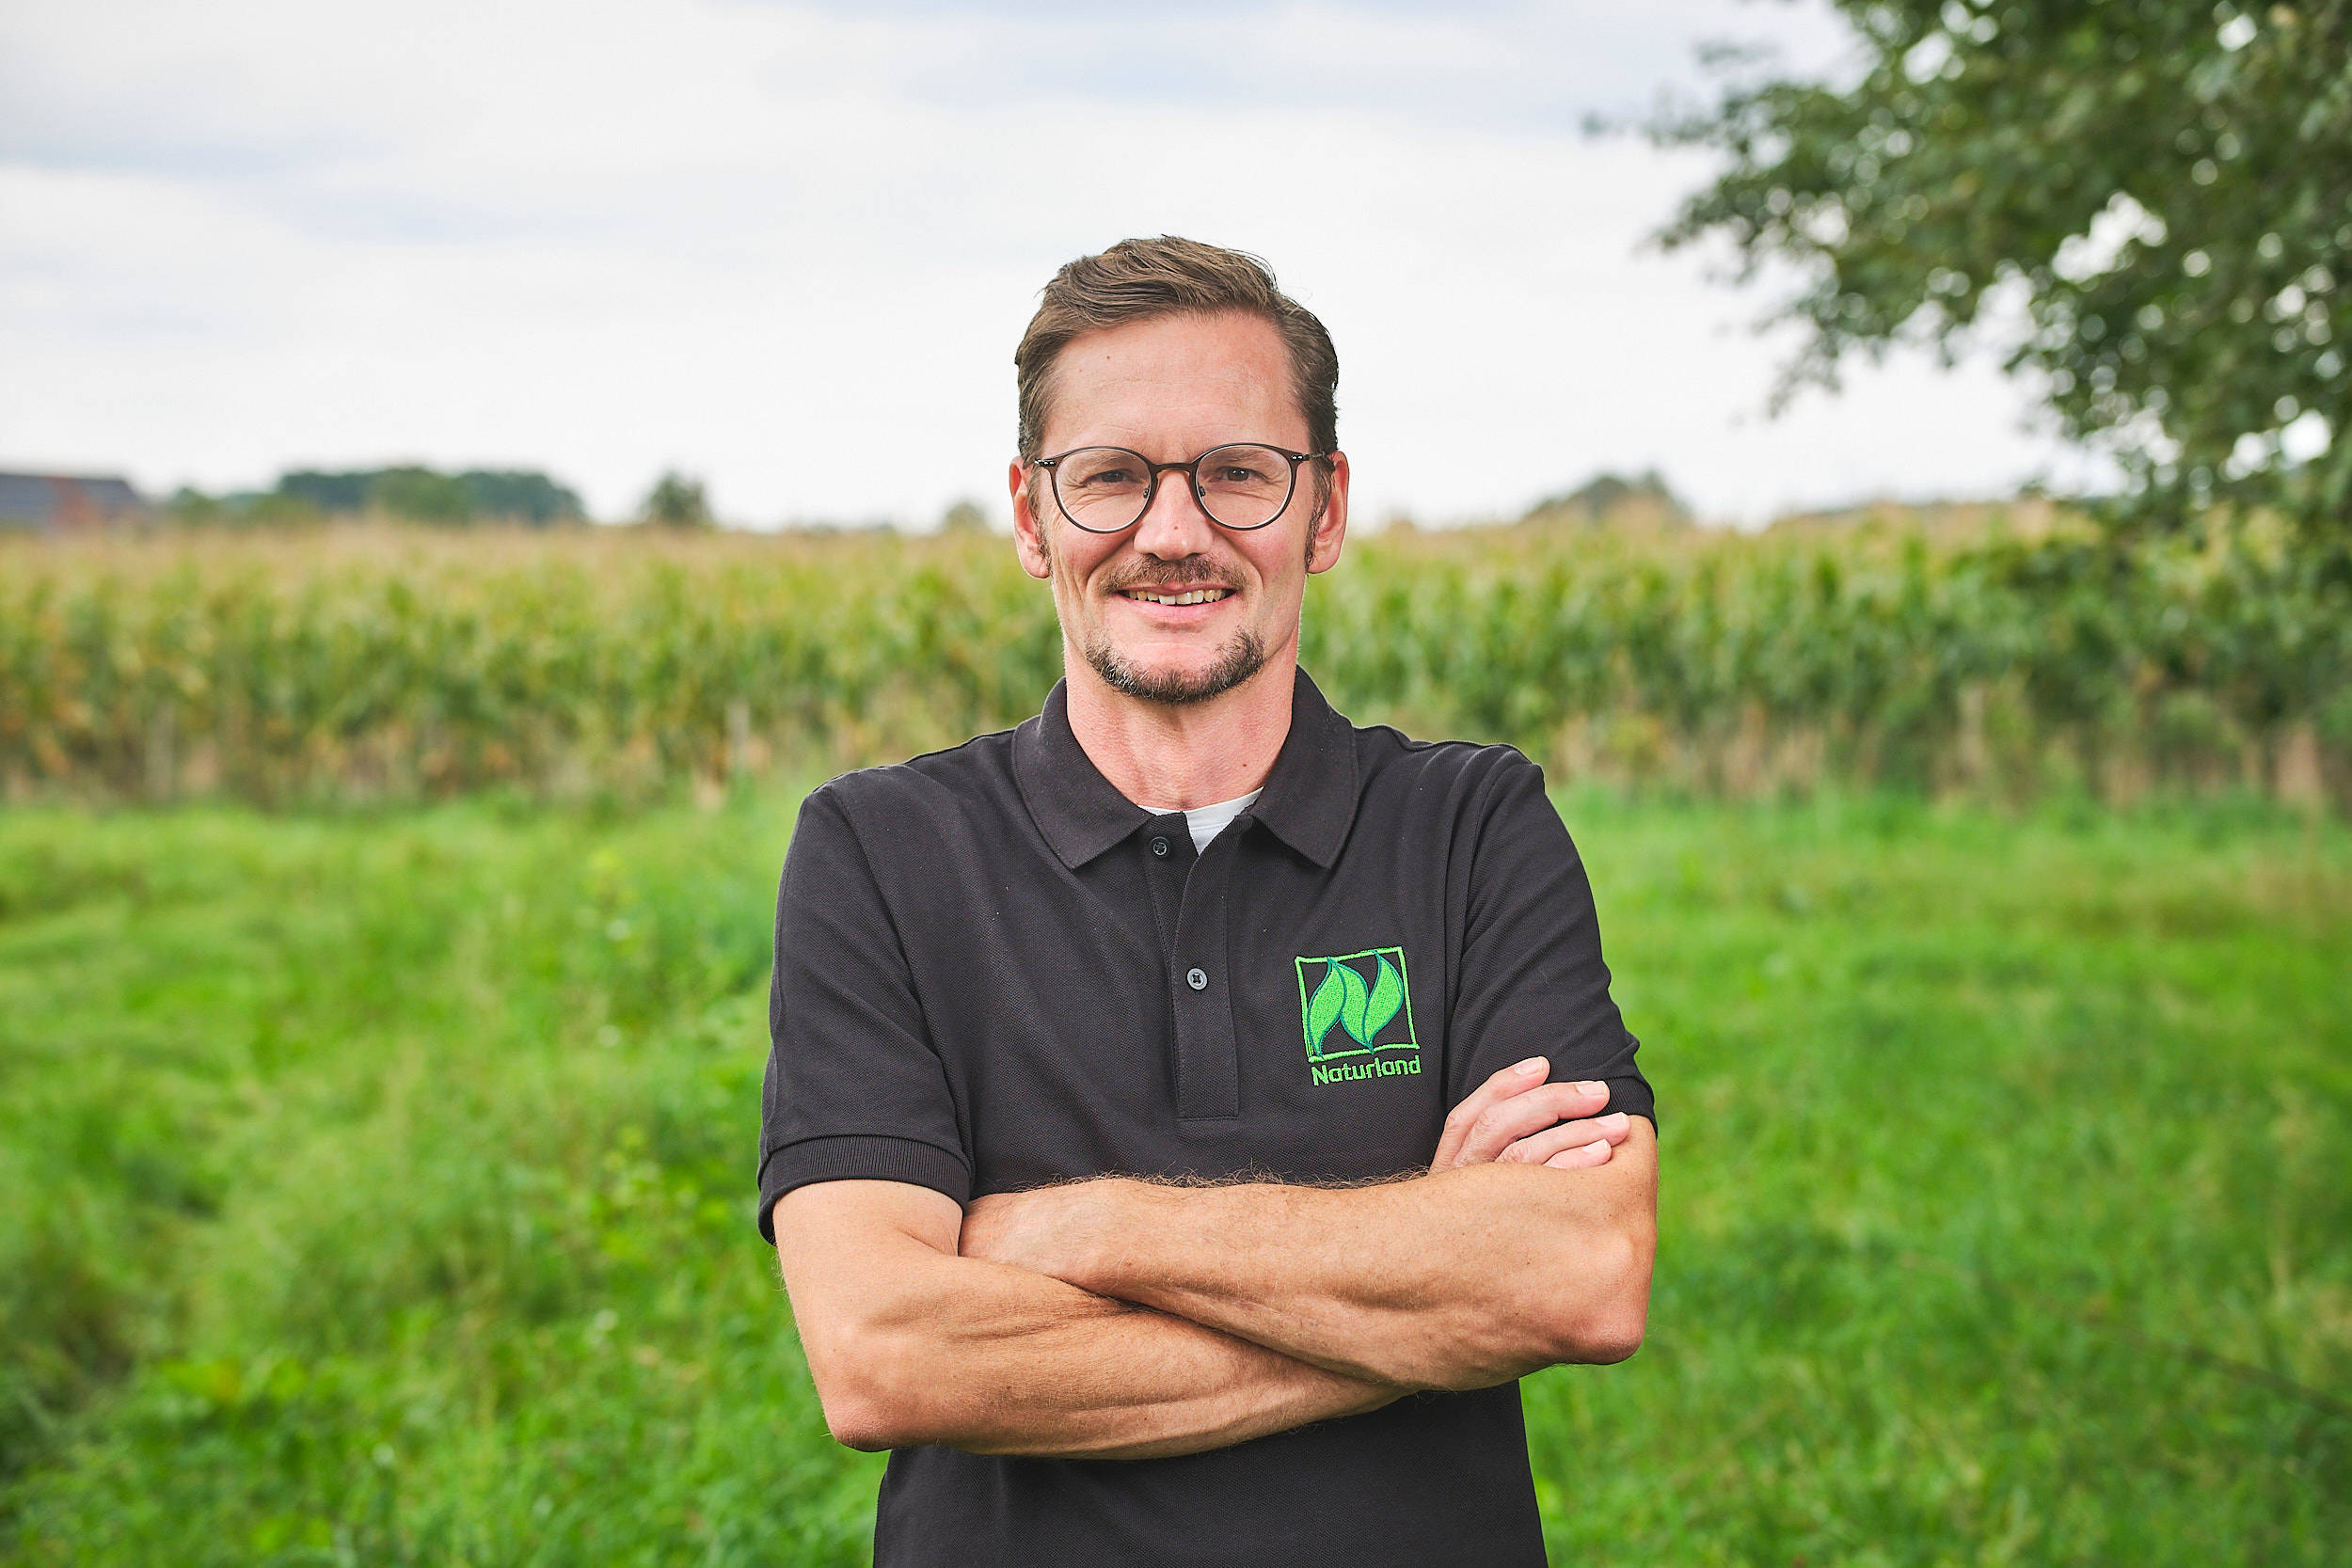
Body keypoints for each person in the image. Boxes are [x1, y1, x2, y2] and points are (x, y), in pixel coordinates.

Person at [758, 235, 1657, 1567]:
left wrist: (1081, 1225)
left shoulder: (1470, 828)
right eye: (1110, 477)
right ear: (1030, 515)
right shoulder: (884, 853)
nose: (1172, 534)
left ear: (1326, 510)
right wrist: (1430, 1296)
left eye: (1239, 474)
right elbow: (886, 1357)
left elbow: (1579, 1277)